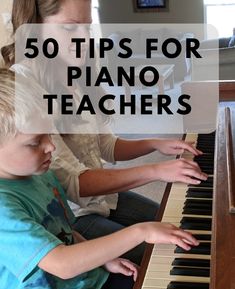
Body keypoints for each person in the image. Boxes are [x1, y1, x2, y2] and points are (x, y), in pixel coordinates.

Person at [0, 68, 199, 289]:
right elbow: (62, 262)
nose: (51, 146)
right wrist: (140, 232)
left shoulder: (38, 173)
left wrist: (104, 260)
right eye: (35, 142)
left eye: (48, 134)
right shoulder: (3, 207)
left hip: (82, 283)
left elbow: (65, 232)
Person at [1, 0, 207, 265]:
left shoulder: (77, 70)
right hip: (74, 216)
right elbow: (76, 184)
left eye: (88, 27)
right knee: (170, 254)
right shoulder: (26, 86)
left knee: (178, 225)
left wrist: (155, 143)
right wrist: (156, 171)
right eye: (70, 28)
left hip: (104, 200)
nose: (84, 39)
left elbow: (105, 146)